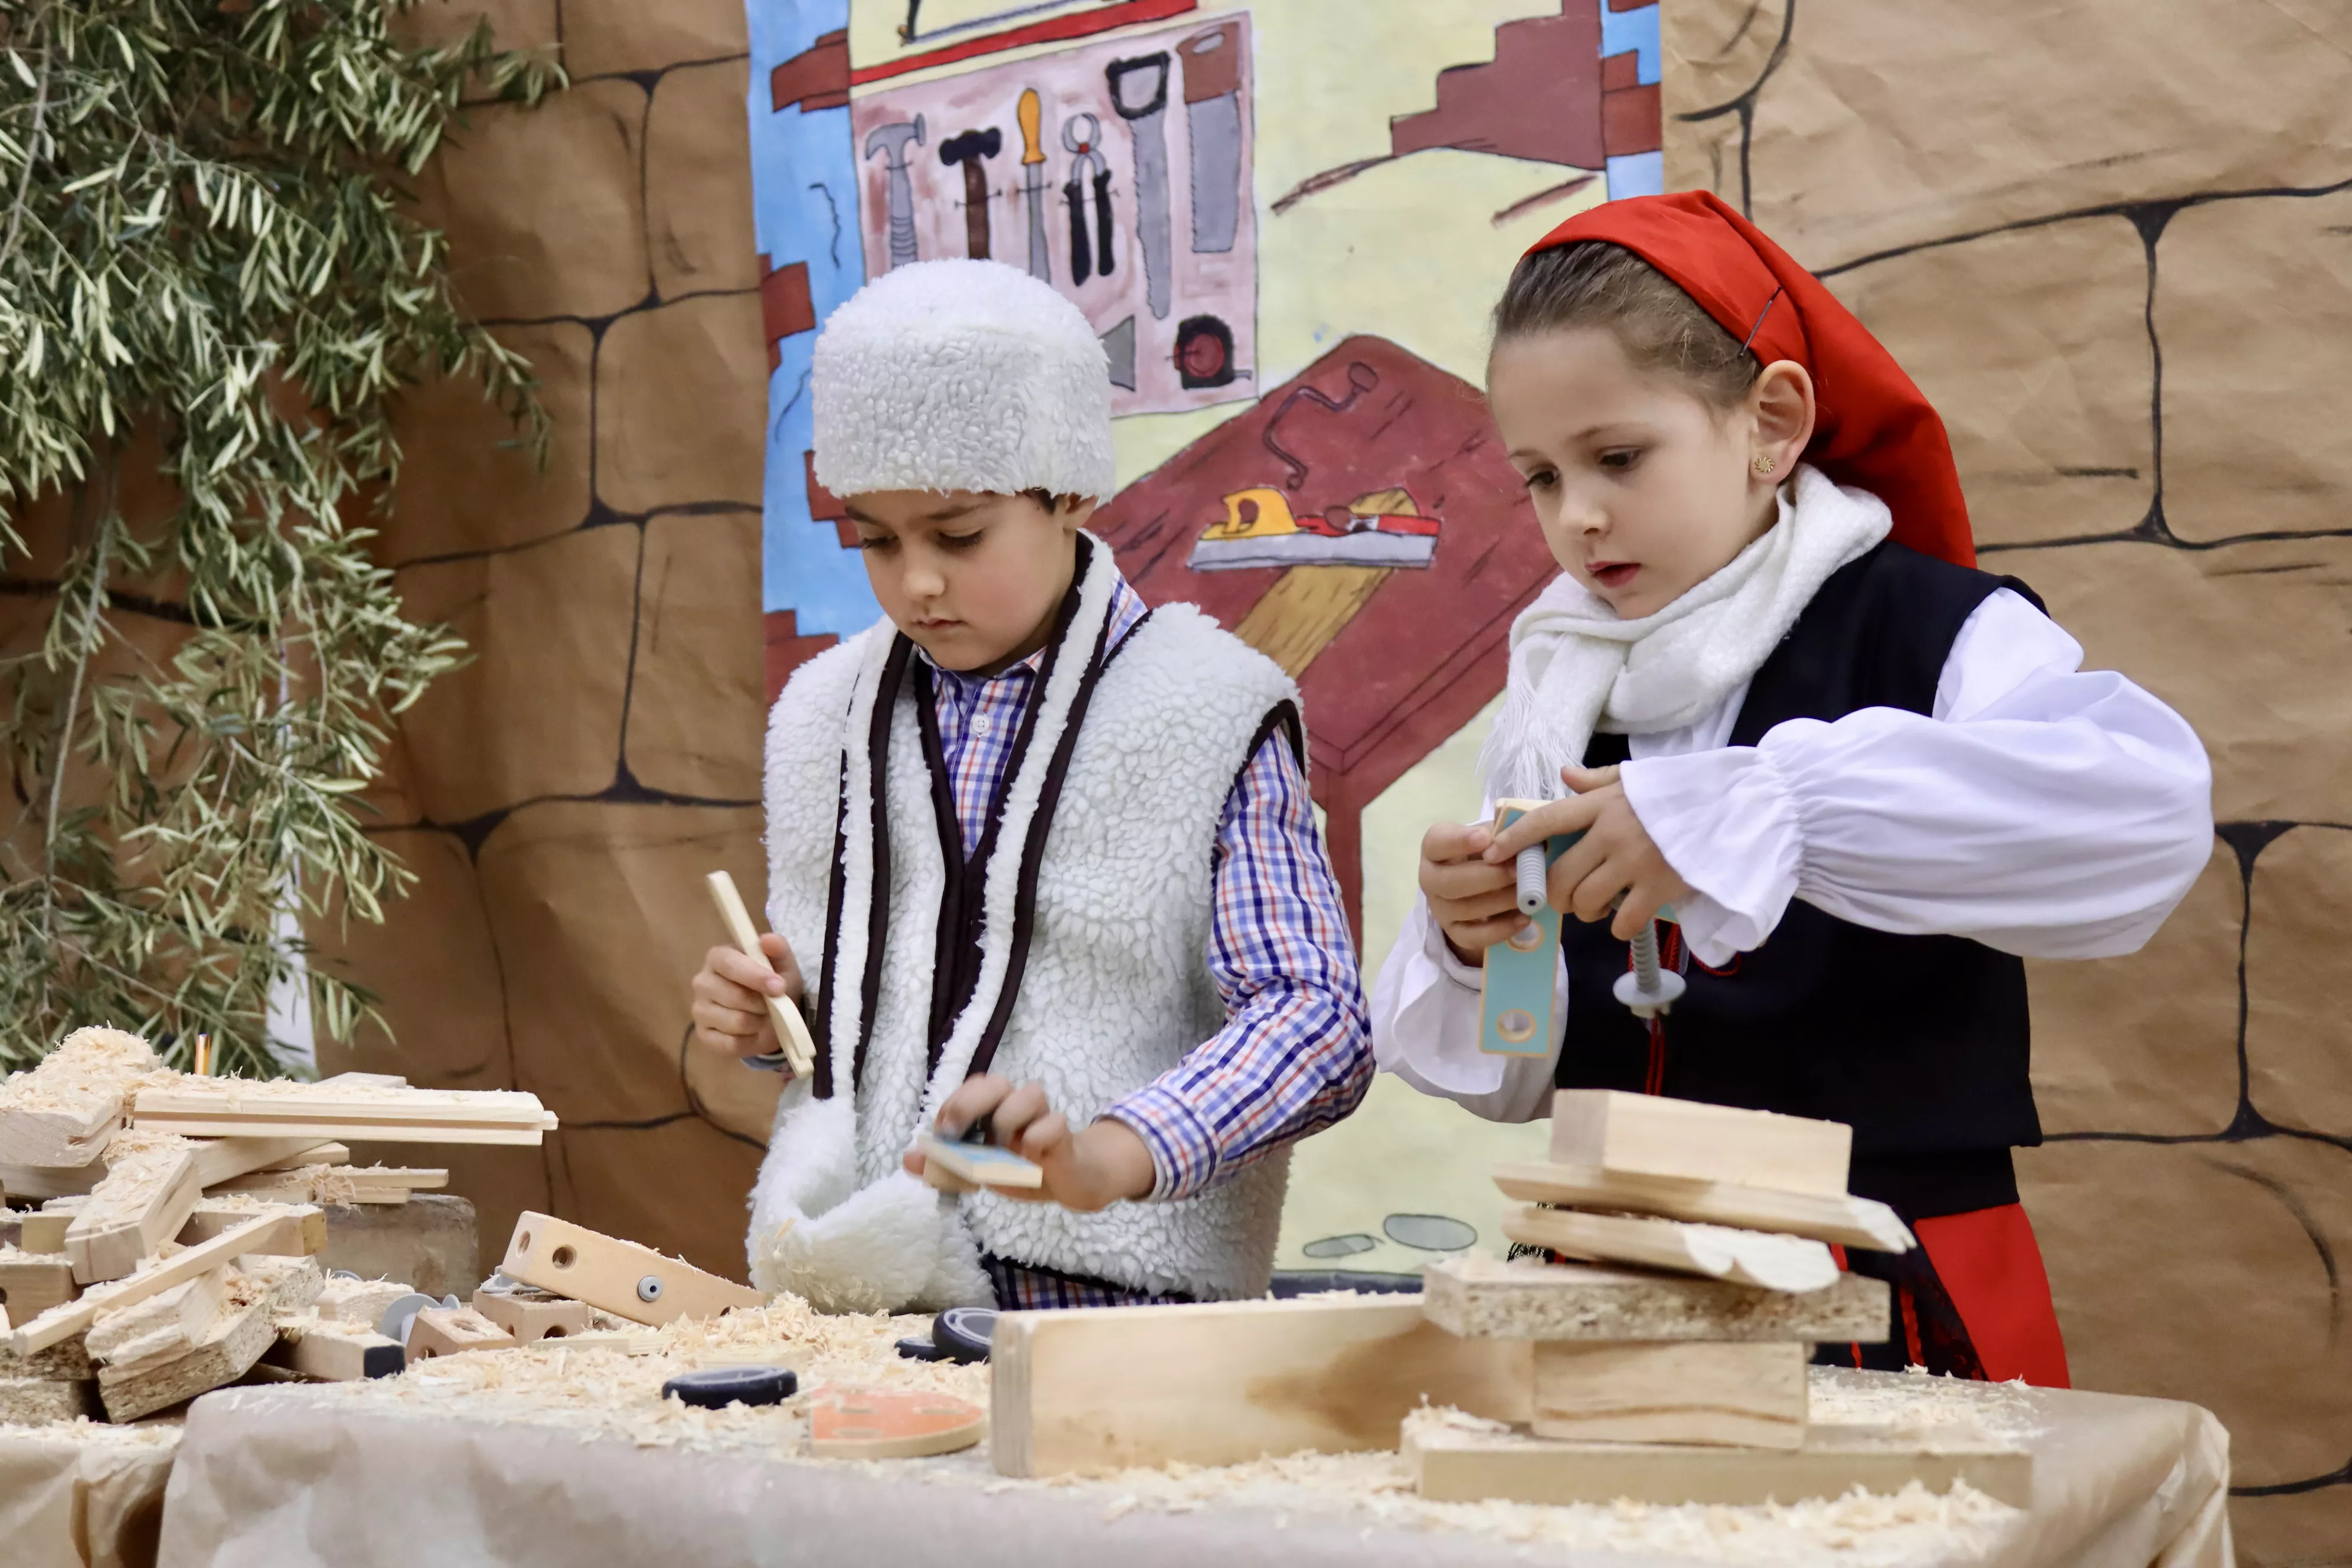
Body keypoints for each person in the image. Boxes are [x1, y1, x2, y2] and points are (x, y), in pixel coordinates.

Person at [1371, 192, 2212, 1386]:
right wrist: (1476, 944)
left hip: (1885, 1297)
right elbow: (1516, 1058)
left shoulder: (1934, 630)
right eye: (1542, 478)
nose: (1581, 516)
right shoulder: (1556, 695)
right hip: (1607, 1294)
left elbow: (2147, 815)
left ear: (1771, 423)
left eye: (1618, 457)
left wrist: (1778, 805)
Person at [691, 259, 1371, 1314]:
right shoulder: (823, 715)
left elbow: (1316, 1021)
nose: (916, 580)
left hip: (1112, 1300)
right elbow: (853, 1026)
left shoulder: (1207, 709)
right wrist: (756, 1024)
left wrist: (1120, 1150)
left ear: (1070, 491)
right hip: (863, 1289)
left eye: (959, 535)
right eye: (875, 538)